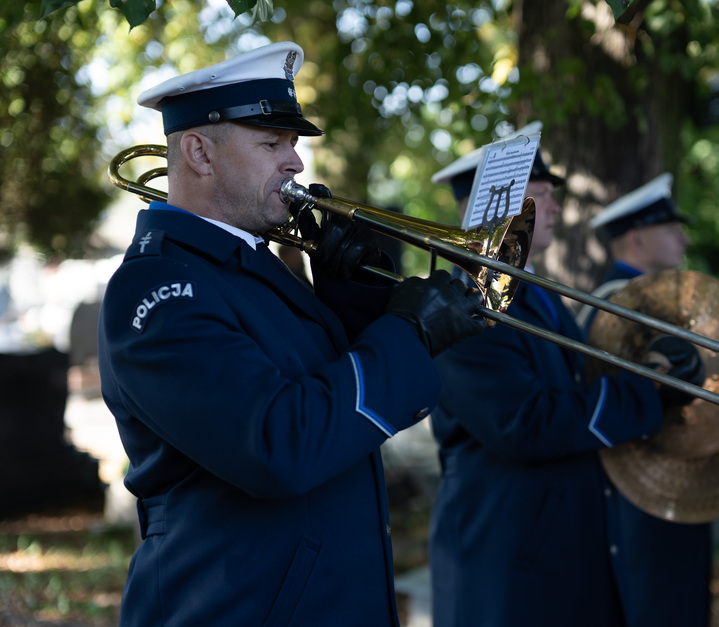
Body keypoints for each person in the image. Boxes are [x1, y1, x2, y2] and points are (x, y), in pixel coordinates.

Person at [98, 42, 487, 625]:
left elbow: (327, 396)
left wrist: (354, 296)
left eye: (293, 143)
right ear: (199, 152)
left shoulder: (250, 266)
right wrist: (407, 332)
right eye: (271, 143)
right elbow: (277, 445)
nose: (296, 163)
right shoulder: (159, 288)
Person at [427, 127, 704, 627]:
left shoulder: (536, 291)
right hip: (509, 554)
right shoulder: (468, 301)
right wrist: (647, 389)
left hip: (555, 545)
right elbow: (523, 423)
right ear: (493, 202)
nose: (555, 207)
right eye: (540, 194)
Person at [583, 173, 712, 627]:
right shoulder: (612, 303)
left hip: (676, 474)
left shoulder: (662, 301)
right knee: (657, 601)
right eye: (670, 228)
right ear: (636, 238)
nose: (683, 238)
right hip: (639, 484)